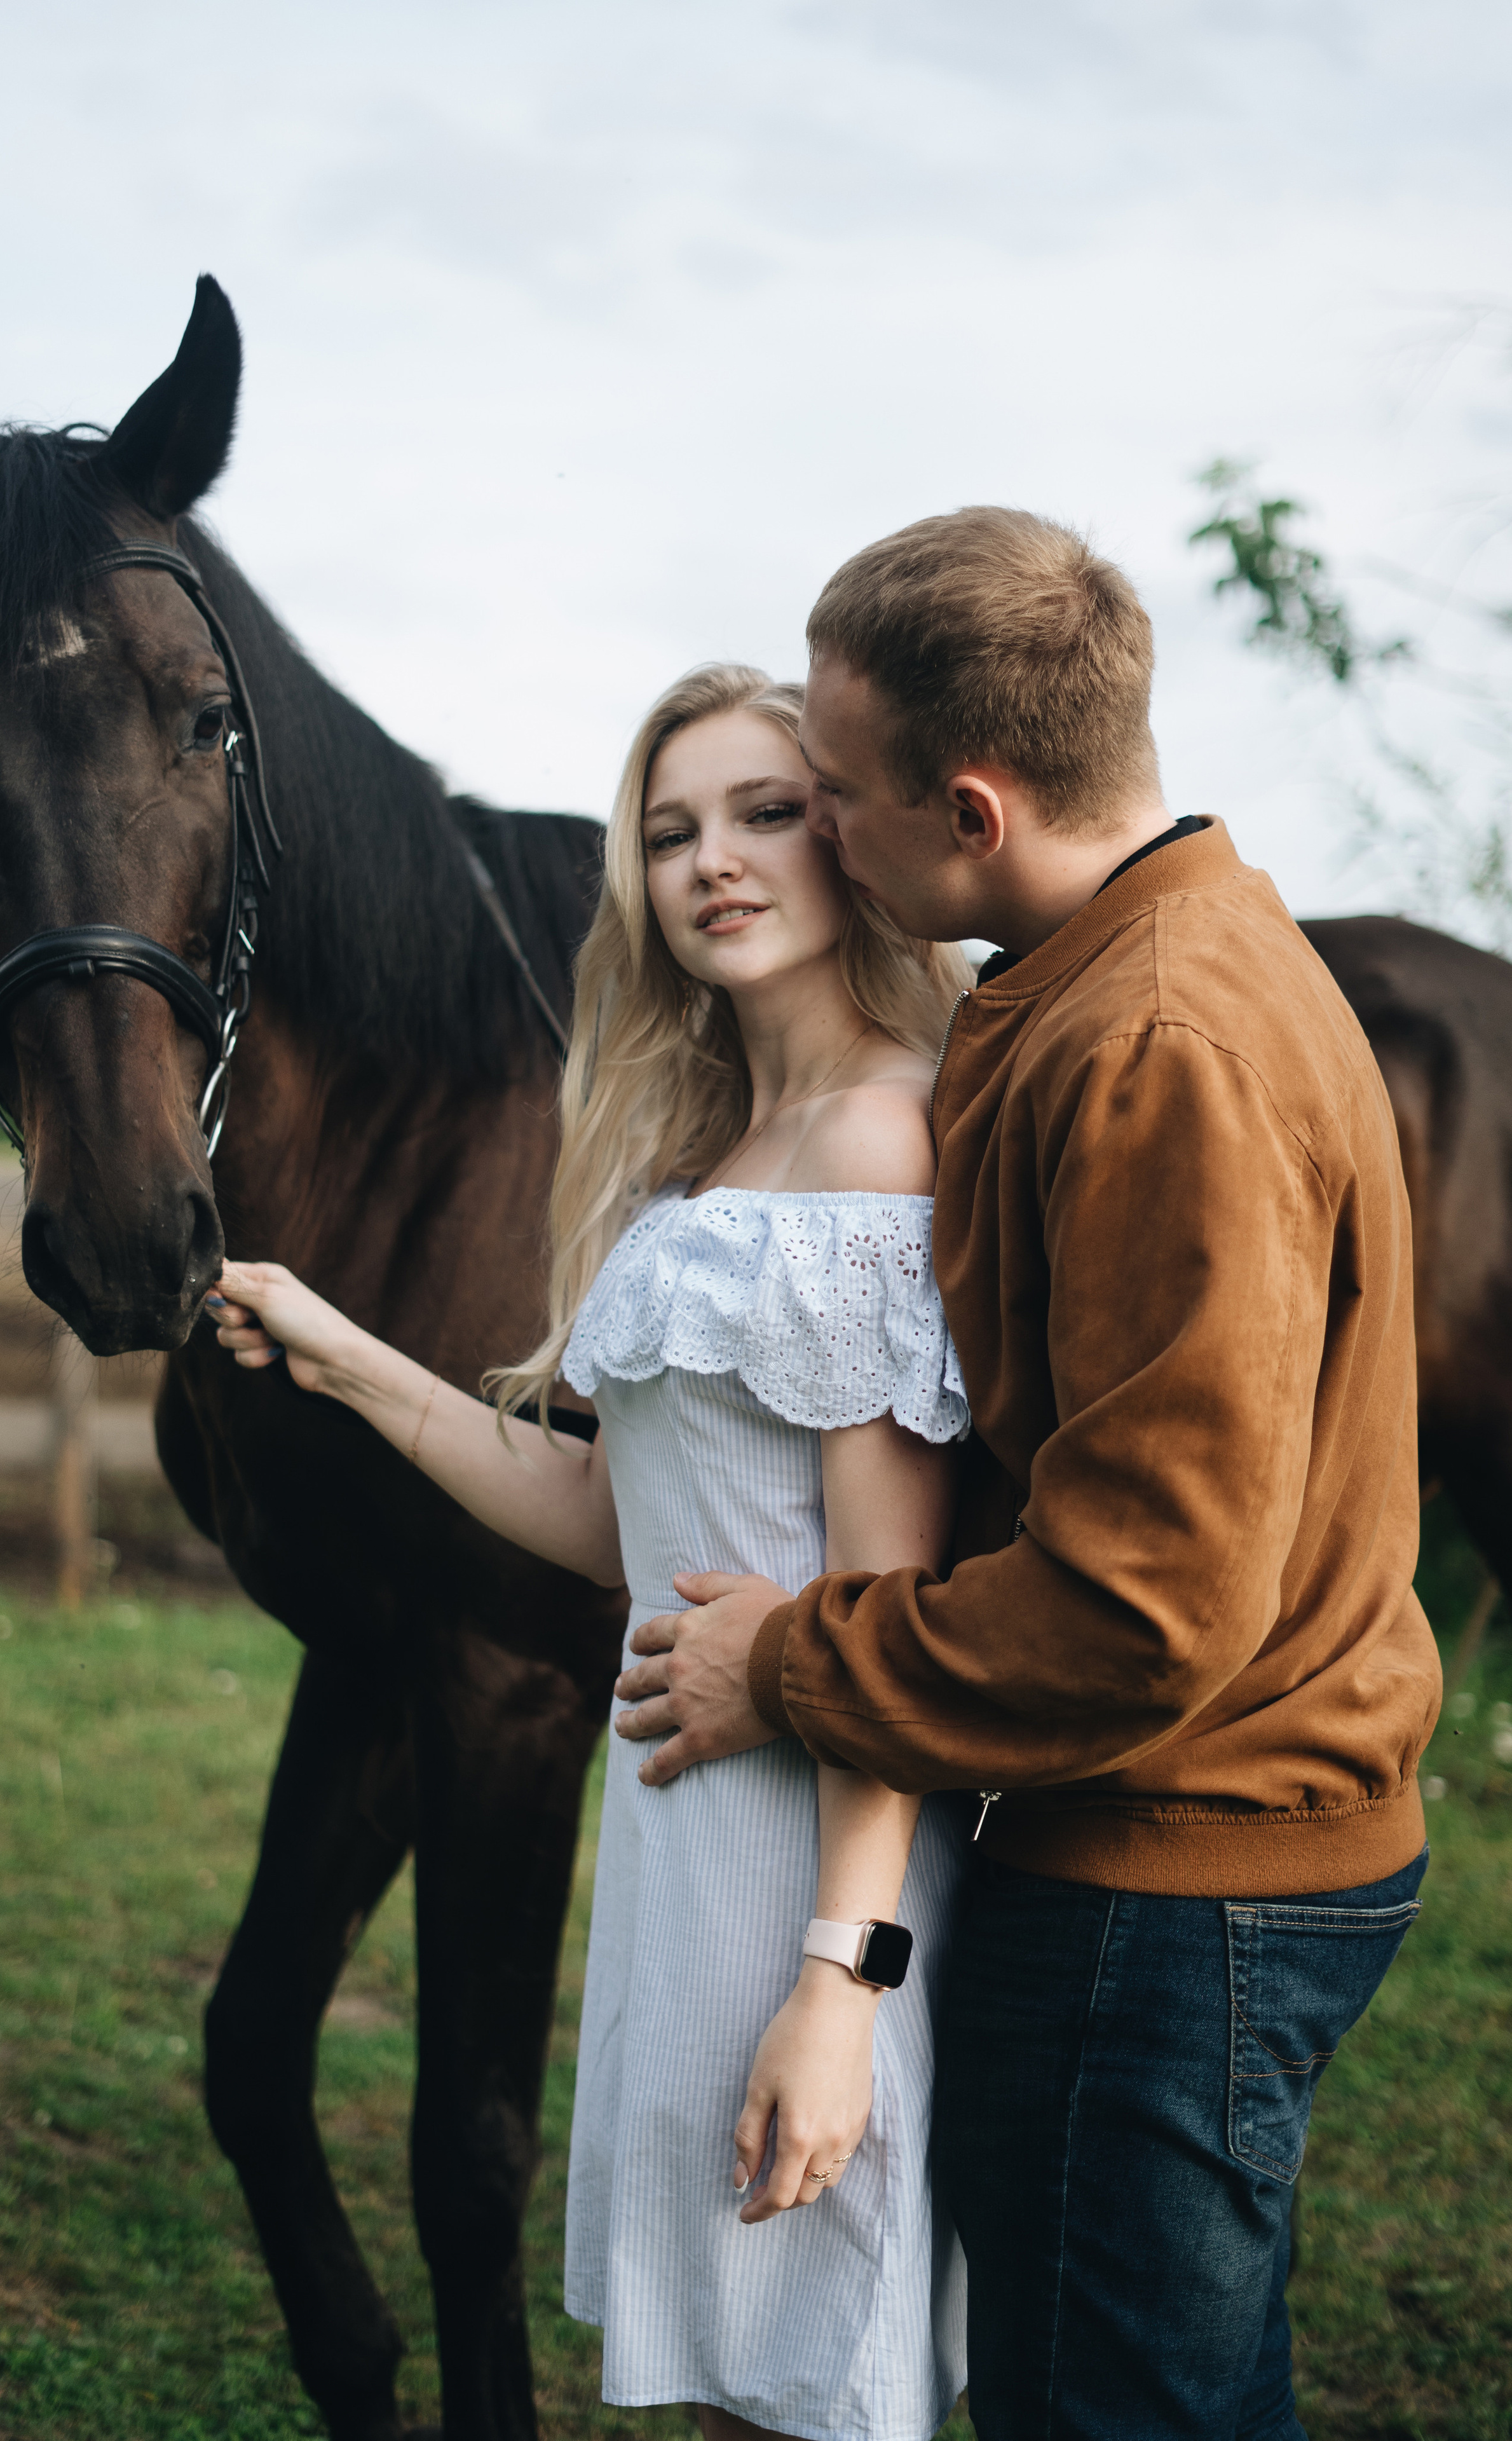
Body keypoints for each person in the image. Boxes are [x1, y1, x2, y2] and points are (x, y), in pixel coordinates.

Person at [611, 512, 1443, 2440]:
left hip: (1179, 1881)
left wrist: (793, 1664)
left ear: (967, 812)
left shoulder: (1160, 1048)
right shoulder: (1135, 966)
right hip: (1200, 1844)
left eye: (827, 794)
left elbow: (1148, 1598)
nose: (808, 832)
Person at [204, 664, 976, 2441]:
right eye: (670, 831)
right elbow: (619, 1527)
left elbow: (880, 1613)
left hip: (814, 1854)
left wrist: (839, 1985)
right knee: (740, 2367)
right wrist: (345, 1353)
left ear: (849, 835)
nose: (712, 860)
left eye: (764, 812)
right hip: (681, 1842)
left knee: (826, 2371)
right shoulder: (710, 1154)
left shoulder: (873, 1139)